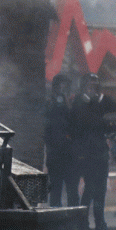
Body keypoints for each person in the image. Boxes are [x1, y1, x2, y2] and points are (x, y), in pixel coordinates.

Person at [70, 73, 116, 230]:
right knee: (90, 190)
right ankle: (83, 225)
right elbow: (84, 122)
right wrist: (104, 121)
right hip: (87, 153)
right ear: (84, 85)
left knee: (100, 191)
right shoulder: (79, 102)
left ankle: (100, 225)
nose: (92, 87)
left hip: (100, 151)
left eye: (95, 84)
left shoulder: (101, 101)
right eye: (89, 84)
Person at [43, 73, 78, 208]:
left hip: (68, 151)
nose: (63, 88)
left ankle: (71, 216)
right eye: (61, 84)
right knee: (56, 187)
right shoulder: (49, 101)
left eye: (65, 85)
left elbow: (73, 120)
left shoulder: (68, 101)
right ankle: (56, 212)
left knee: (71, 188)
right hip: (55, 151)